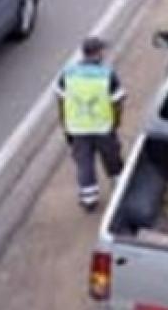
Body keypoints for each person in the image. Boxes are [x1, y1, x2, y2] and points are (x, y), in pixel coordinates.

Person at [56, 37, 126, 213]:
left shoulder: (68, 73)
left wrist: (64, 123)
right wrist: (116, 122)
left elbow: (60, 99)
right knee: (112, 159)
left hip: (77, 128)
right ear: (97, 54)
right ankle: (120, 189)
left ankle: (89, 200)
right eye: (102, 51)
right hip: (103, 127)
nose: (104, 54)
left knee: (84, 163)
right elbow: (118, 101)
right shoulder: (107, 74)